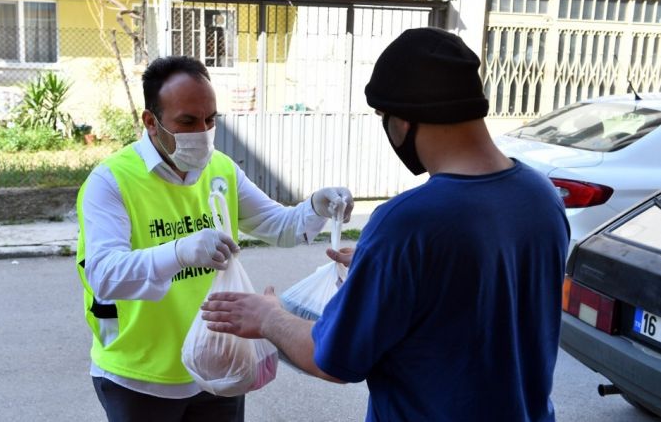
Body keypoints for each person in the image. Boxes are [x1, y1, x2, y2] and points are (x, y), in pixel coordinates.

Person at [201, 27, 570, 421]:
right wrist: (387, 267)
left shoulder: (409, 221)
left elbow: (333, 360)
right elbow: (480, 285)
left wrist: (268, 316)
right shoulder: (541, 195)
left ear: (404, 120)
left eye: (383, 117)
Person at [75, 55, 353, 422]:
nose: (203, 133)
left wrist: (316, 206)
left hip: (218, 365)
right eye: (188, 121)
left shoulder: (220, 168)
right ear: (151, 122)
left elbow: (280, 226)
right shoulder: (111, 181)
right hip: (140, 378)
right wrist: (180, 251)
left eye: (210, 120)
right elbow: (104, 275)